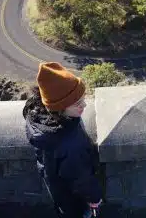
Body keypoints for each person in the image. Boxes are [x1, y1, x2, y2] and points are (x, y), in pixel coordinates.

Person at [22, 62, 103, 217]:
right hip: (74, 197)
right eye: (78, 103)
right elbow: (81, 178)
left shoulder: (37, 114)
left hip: (57, 186)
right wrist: (95, 198)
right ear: (60, 108)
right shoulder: (70, 143)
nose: (85, 105)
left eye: (84, 98)